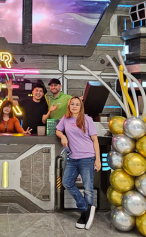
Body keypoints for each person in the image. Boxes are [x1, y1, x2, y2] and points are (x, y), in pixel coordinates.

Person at [56, 96, 101, 230]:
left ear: (81, 107)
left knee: (88, 188)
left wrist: (98, 160)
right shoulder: (65, 118)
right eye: (72, 104)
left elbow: (95, 140)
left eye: (77, 104)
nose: (74, 106)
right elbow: (58, 130)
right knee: (67, 182)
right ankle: (86, 208)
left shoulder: (87, 119)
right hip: (72, 158)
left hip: (87, 158)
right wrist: (63, 136)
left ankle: (84, 215)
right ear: (69, 106)